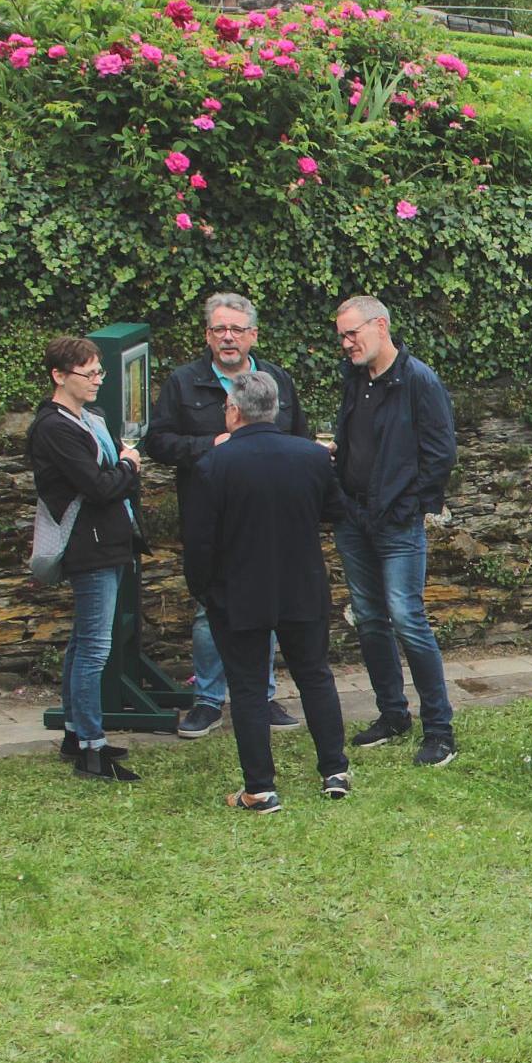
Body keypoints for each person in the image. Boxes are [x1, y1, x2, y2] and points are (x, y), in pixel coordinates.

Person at [182, 371, 354, 812]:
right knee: (315, 675)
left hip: (238, 590)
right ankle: (335, 770)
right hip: (301, 583)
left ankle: (259, 788)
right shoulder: (310, 458)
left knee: (247, 686)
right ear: (274, 409)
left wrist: (202, 588)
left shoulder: (214, 464)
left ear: (234, 411)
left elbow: (199, 540)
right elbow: (336, 510)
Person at [143, 292, 311, 741]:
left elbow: (299, 438)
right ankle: (209, 700)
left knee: (269, 605)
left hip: (269, 517)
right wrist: (211, 444)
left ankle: (261, 695)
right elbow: (158, 443)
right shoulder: (184, 382)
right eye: (220, 329)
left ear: (253, 335)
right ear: (208, 335)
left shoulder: (276, 380)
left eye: (237, 329)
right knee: (208, 609)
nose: (228, 337)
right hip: (211, 516)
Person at [329, 296, 459, 768]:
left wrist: (408, 503)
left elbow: (441, 453)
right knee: (368, 617)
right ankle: (392, 714)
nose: (346, 344)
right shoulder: (355, 379)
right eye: (341, 336)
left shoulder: (418, 380)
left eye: (352, 334)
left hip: (397, 522)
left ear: (380, 326)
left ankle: (440, 730)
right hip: (353, 518)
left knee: (407, 617)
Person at [27, 336, 145, 782]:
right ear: (59, 376)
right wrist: (130, 467)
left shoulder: (88, 418)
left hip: (107, 539)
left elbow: (107, 480)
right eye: (88, 373)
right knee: (95, 647)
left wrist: (122, 473)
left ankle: (77, 734)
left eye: (100, 372)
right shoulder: (54, 427)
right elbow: (98, 486)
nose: (97, 380)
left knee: (83, 642)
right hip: (87, 544)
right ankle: (92, 750)